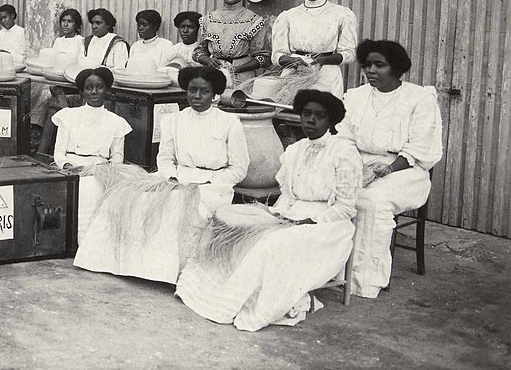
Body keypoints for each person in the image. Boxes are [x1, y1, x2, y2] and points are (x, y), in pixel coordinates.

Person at [176, 89, 362, 331]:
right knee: (239, 230)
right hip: (291, 214)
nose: (311, 121)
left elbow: (346, 207)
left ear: (332, 121)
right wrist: (274, 215)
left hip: (328, 226)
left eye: (320, 116)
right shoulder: (295, 150)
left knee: (271, 243)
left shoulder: (344, 153)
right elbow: (286, 195)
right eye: (307, 114)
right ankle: (220, 297)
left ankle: (258, 302)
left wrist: (310, 221)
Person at [336, 40, 443, 299]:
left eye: (379, 65)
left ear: (396, 68)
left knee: (371, 200)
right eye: (367, 65)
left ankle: (364, 280)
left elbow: (421, 147)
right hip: (360, 162)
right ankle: (334, 270)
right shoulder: (356, 97)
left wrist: (386, 168)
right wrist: (353, 166)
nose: (371, 70)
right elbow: (344, 137)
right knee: (333, 191)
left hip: (406, 170)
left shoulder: (419, 98)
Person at [51, 67, 133, 240]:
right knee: (79, 187)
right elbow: (59, 153)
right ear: (81, 91)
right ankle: (72, 241)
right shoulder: (68, 116)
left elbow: (117, 157)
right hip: (71, 169)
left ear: (107, 90)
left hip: (101, 171)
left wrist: (105, 173)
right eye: (89, 88)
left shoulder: (116, 122)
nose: (94, 92)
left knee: (96, 189)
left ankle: (92, 242)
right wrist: (68, 167)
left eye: (100, 87)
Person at [156, 67, 248, 214]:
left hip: (214, 186)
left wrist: (211, 183)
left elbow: (239, 168)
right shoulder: (173, 120)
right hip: (178, 180)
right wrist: (172, 178)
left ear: (214, 95)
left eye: (204, 91)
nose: (197, 96)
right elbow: (165, 158)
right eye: (192, 90)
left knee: (193, 210)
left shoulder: (229, 122)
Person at [271, 0, 358, 98]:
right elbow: (277, 55)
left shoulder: (341, 14)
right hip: (294, 74)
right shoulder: (288, 16)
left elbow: (349, 53)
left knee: (325, 113)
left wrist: (323, 61)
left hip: (327, 73)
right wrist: (291, 61)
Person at [192, 0, 269, 87]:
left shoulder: (254, 20)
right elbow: (198, 51)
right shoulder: (208, 19)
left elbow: (263, 57)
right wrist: (207, 60)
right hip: (214, 74)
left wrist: (238, 68)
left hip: (243, 77)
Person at [31, 8, 86, 129]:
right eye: (63, 21)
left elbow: (81, 62)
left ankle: (37, 127)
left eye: (70, 21)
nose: (65, 24)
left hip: (70, 81)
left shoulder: (80, 41)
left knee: (45, 93)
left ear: (76, 24)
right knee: (34, 88)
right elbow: (51, 62)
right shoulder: (58, 41)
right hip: (55, 78)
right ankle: (35, 125)